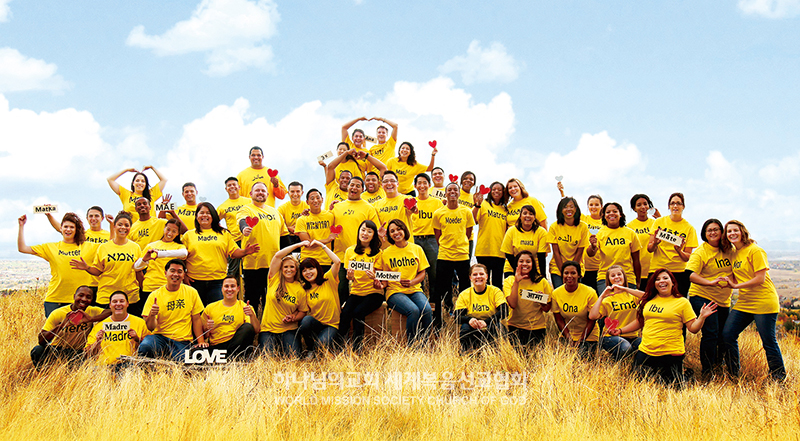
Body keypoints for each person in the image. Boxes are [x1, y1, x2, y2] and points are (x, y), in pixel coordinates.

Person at [609, 269, 717, 384]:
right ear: (654, 284)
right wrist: (620, 330)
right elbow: (640, 322)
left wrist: (702, 317)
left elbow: (693, 329)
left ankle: (686, 377)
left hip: (670, 353)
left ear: (673, 282)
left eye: (665, 278)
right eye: (657, 279)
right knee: (637, 383)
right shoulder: (649, 300)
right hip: (646, 351)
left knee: (670, 385)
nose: (661, 281)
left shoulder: (682, 302)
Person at [721, 220, 786, 382]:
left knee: (768, 341)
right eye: (729, 231)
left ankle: (778, 378)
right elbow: (735, 275)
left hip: (764, 301)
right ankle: (734, 374)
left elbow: (760, 279)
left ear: (742, 231)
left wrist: (736, 286)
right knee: (728, 334)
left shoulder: (755, 250)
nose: (732, 233)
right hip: (745, 302)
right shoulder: (734, 253)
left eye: (735, 230)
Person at [18, 212, 97, 316]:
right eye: (66, 227)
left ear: (76, 230)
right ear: (61, 228)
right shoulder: (51, 247)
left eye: (72, 227)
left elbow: (110, 246)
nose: (68, 229)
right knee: (53, 327)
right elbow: (22, 248)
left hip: (79, 301)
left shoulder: (89, 247)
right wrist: (21, 226)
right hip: (55, 300)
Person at [183, 202, 258, 306]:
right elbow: (182, 257)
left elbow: (234, 252)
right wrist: (184, 275)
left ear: (213, 216)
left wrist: (245, 252)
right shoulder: (188, 235)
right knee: (196, 312)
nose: (204, 215)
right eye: (201, 213)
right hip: (194, 281)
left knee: (216, 312)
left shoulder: (224, 233)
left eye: (208, 213)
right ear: (196, 216)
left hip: (217, 282)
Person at [686, 218, 734, 377]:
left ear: (722, 232)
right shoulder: (701, 252)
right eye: (709, 230)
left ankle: (718, 366)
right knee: (711, 333)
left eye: (716, 229)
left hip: (723, 300)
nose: (713, 232)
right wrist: (710, 282)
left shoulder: (729, 249)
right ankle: (707, 372)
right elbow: (690, 274)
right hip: (702, 296)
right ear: (704, 234)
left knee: (723, 335)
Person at [70, 211, 143, 312]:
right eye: (120, 224)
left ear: (130, 228)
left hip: (130, 296)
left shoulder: (135, 247)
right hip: (106, 295)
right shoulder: (103, 247)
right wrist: (87, 267)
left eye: (127, 225)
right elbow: (98, 271)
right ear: (114, 226)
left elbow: (138, 271)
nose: (123, 227)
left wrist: (143, 288)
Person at [138, 259, 207, 361]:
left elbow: (196, 319)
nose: (176, 274)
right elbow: (150, 327)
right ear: (165, 273)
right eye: (172, 271)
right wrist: (152, 314)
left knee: (182, 362)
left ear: (183, 275)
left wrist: (201, 341)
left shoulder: (191, 292)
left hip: (182, 340)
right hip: (160, 338)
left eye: (179, 271)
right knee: (146, 346)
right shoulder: (155, 295)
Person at [381, 219, 433, 346]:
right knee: (413, 310)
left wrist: (412, 282)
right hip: (395, 292)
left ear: (404, 230)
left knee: (426, 310)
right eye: (392, 231)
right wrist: (380, 284)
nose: (396, 233)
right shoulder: (386, 253)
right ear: (389, 235)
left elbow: (422, 273)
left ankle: (424, 344)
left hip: (414, 289)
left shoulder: (416, 249)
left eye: (399, 229)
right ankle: (412, 345)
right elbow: (384, 279)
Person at [238, 181, 289, 310]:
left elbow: (284, 237)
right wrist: (244, 228)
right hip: (253, 264)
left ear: (267, 194)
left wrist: (288, 258)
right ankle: (252, 323)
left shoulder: (276, 213)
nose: (260, 193)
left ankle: (270, 323)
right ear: (251, 194)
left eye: (263, 191)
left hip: (274, 264)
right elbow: (242, 220)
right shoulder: (246, 209)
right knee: (252, 300)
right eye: (257, 190)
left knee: (273, 300)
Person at [432, 182, 475, 330]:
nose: (452, 192)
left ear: (459, 193)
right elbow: (438, 235)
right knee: (441, 288)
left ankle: (463, 317)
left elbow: (468, 232)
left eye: (455, 190)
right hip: (444, 255)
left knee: (465, 288)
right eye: (449, 189)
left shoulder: (466, 211)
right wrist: (447, 245)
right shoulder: (438, 213)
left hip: (462, 255)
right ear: (445, 193)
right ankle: (438, 320)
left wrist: (460, 244)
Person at [30, 286, 108, 367]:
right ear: (74, 296)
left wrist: (91, 319)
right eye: (80, 295)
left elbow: (111, 312)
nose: (84, 299)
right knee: (37, 350)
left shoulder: (92, 311)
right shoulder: (58, 313)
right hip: (57, 348)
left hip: (78, 352)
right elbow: (41, 340)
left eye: (88, 297)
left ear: (91, 300)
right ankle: (45, 373)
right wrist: (62, 326)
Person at [331, 177, 380, 305]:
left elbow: (375, 231)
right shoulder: (336, 207)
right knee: (340, 291)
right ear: (347, 187)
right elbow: (325, 221)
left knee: (361, 295)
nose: (354, 188)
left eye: (358, 186)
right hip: (341, 257)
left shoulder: (369, 208)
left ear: (362, 189)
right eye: (352, 185)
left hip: (363, 258)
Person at [257, 241, 309, 357]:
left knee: (294, 358)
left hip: (289, 329)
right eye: (285, 267)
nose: (288, 269)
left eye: (292, 267)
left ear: (296, 270)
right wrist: (298, 245)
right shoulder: (274, 278)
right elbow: (277, 256)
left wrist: (293, 317)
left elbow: (303, 311)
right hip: (268, 330)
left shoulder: (300, 288)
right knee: (268, 359)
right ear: (281, 268)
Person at [340, 220, 385, 351]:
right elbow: (349, 278)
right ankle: (339, 347)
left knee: (358, 312)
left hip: (374, 293)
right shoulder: (350, 251)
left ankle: (357, 348)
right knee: (345, 313)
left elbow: (380, 278)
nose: (365, 233)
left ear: (373, 235)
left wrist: (374, 277)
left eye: (369, 231)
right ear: (359, 231)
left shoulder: (378, 253)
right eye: (363, 230)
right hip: (356, 292)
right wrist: (350, 276)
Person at [647, 192, 698, 296]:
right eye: (672, 203)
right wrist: (655, 243)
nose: (675, 206)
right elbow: (649, 248)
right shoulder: (659, 222)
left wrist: (679, 251)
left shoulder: (689, 228)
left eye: (678, 203)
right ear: (669, 206)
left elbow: (687, 257)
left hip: (679, 272)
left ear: (683, 206)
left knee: (678, 302)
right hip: (657, 269)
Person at [588, 265, 643, 360]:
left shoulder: (633, 295)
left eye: (619, 274)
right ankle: (615, 364)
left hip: (632, 336)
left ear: (624, 276)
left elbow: (648, 296)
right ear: (609, 280)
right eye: (613, 275)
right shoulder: (607, 299)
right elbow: (592, 316)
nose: (616, 277)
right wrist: (601, 297)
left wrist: (625, 289)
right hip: (611, 337)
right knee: (625, 347)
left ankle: (633, 367)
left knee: (645, 347)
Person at [297, 243, 342, 358]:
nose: (308, 272)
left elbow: (337, 262)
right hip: (316, 324)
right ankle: (310, 348)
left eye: (311, 268)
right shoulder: (304, 289)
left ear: (317, 269)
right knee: (305, 321)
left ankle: (319, 347)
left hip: (331, 325)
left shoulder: (328, 280)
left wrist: (321, 245)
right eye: (304, 270)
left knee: (321, 346)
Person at [133, 219, 188, 310]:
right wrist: (144, 260)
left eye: (174, 231)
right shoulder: (151, 246)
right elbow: (136, 267)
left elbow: (184, 253)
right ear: (164, 229)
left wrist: (159, 254)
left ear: (178, 233)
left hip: (170, 287)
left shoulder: (179, 247)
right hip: (150, 286)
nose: (170, 233)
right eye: (168, 229)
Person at [587, 202, 641, 292]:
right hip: (605, 278)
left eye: (615, 211)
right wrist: (593, 246)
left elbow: (636, 260)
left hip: (627, 277)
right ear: (604, 216)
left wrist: (638, 281)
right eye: (608, 212)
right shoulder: (600, 233)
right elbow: (590, 254)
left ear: (620, 214)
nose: (611, 214)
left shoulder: (630, 233)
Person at [85, 291, 150, 367]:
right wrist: (97, 342)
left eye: (121, 301)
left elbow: (150, 349)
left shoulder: (140, 323)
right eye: (115, 301)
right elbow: (87, 354)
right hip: (104, 366)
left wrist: (137, 339)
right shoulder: (99, 326)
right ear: (110, 305)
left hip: (130, 365)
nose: (118, 304)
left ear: (127, 304)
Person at [202, 276, 260, 360]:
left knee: (247, 327)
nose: (229, 289)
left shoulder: (245, 307)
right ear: (222, 289)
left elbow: (256, 330)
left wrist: (252, 315)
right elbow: (204, 335)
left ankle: (228, 356)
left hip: (236, 344)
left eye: (232, 286)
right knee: (194, 352)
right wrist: (207, 328)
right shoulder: (210, 308)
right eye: (226, 286)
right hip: (217, 346)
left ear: (238, 289)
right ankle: (229, 357)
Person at [454, 264, 508, 352]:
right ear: (470, 278)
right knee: (465, 328)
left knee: (498, 327)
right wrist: (469, 320)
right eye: (475, 274)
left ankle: (495, 353)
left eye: (481, 274)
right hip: (474, 327)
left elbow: (504, 311)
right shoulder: (464, 294)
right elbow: (457, 316)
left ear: (487, 276)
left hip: (491, 325)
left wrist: (486, 322)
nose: (478, 276)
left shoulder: (495, 291)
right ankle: (468, 352)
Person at [504, 251, 553, 347]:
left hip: (537, 327)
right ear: (516, 263)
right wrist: (516, 282)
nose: (524, 264)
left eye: (528, 261)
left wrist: (541, 302)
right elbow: (513, 304)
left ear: (533, 264)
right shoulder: (509, 280)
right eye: (521, 261)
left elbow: (547, 309)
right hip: (515, 326)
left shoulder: (542, 281)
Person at [551, 261, 599, 356]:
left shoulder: (590, 292)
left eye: (573, 273)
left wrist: (581, 340)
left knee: (581, 356)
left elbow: (592, 320)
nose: (569, 276)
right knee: (560, 358)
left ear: (579, 275)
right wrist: (569, 339)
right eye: (566, 273)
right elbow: (558, 319)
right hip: (567, 336)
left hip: (588, 336)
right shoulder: (556, 293)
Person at [472, 181, 508, 289]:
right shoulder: (483, 204)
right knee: (484, 282)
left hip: (500, 251)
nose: (496, 191)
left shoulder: (505, 209)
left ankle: (497, 301)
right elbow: (473, 220)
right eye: (494, 189)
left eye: (499, 190)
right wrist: (477, 205)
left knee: (497, 283)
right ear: (490, 191)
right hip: (484, 249)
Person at [547, 197, 589, 289]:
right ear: (561, 210)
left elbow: (580, 251)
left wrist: (571, 271)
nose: (568, 209)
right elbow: (556, 252)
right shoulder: (554, 226)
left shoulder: (583, 227)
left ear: (576, 209)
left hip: (576, 268)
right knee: (560, 293)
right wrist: (564, 272)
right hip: (557, 268)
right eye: (565, 207)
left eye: (571, 206)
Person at [412, 173, 442, 296]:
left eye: (425, 183)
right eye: (419, 183)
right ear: (415, 186)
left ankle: (434, 300)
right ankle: (419, 298)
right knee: (416, 271)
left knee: (434, 271)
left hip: (432, 239)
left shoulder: (437, 203)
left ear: (429, 185)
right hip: (415, 240)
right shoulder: (411, 202)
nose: (422, 185)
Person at [295, 188, 337, 274]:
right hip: (308, 260)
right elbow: (307, 242)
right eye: (312, 198)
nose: (315, 200)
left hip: (326, 260)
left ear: (322, 200)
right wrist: (327, 240)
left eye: (318, 198)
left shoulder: (330, 216)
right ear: (307, 202)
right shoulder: (302, 219)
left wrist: (337, 204)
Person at [217, 177, 252, 277]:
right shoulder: (222, 206)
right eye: (229, 185)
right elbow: (214, 221)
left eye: (234, 184)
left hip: (249, 239)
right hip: (234, 241)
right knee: (233, 271)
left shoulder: (249, 202)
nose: (232, 187)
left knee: (250, 269)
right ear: (226, 189)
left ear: (239, 187)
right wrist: (224, 230)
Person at [501, 204, 548, 278]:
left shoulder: (541, 232)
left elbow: (541, 257)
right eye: (525, 213)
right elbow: (508, 254)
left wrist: (543, 276)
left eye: (531, 214)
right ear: (520, 217)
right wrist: (519, 271)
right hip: (512, 267)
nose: (528, 216)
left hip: (534, 269)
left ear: (534, 218)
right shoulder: (511, 231)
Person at [374, 170, 416, 245]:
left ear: (397, 184)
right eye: (386, 181)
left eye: (392, 181)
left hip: (406, 246)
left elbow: (414, 210)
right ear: (381, 185)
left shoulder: (407, 199)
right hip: (386, 248)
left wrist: (413, 209)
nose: (389, 183)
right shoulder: (375, 205)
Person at [627, 194, 660, 290]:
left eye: (645, 204)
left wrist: (659, 219)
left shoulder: (655, 223)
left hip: (654, 269)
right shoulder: (629, 226)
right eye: (639, 205)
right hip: (637, 271)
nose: (643, 207)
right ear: (634, 208)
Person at [278, 181, 309, 249]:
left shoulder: (307, 207)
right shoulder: (282, 208)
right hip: (287, 238)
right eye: (292, 191)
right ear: (288, 193)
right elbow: (277, 225)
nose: (295, 194)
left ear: (302, 193)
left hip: (303, 237)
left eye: (298, 191)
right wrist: (288, 228)